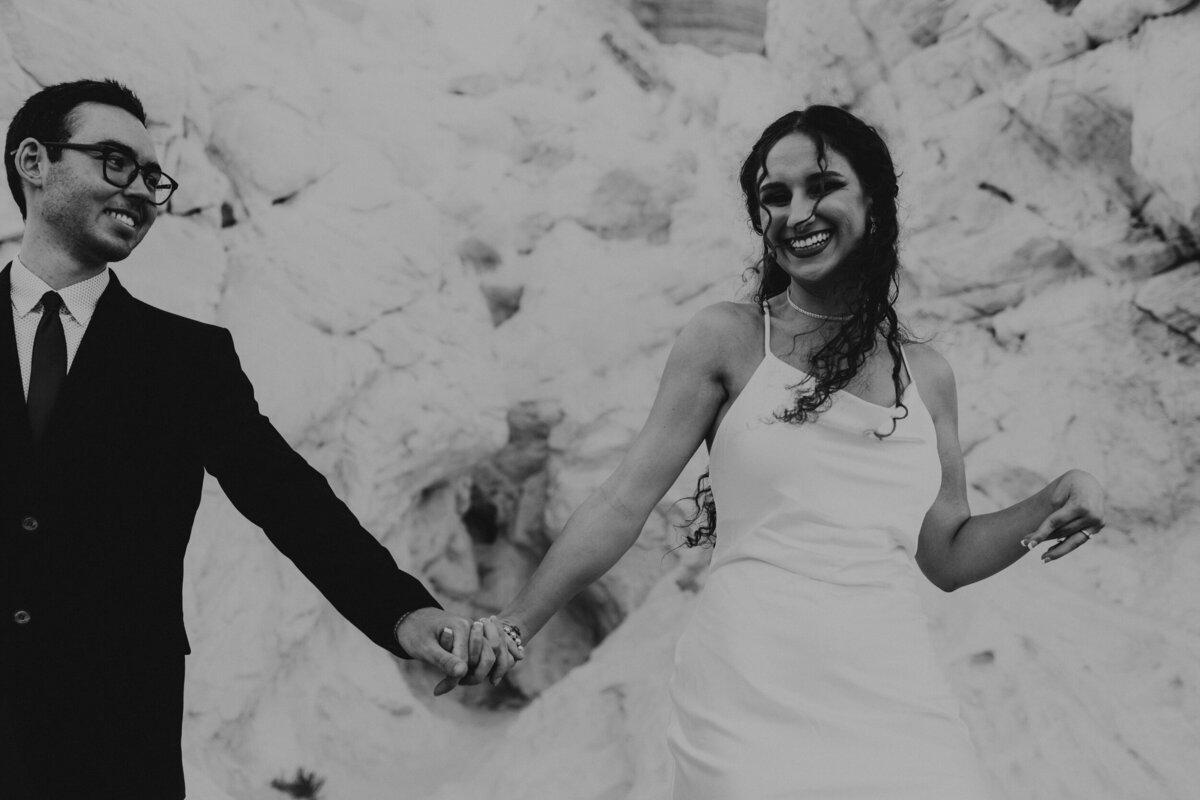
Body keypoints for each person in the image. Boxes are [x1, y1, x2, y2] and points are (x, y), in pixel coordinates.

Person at [483, 106, 1106, 798]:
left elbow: (949, 555)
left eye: (821, 186)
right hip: (749, 690)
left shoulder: (927, 375)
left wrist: (1053, 499)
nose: (794, 211)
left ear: (874, 202)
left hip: (899, 696)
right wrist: (514, 626)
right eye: (773, 198)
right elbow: (622, 499)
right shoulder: (727, 339)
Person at [0, 78, 514, 799]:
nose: (143, 191)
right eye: (116, 162)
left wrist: (402, 611)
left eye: (154, 177)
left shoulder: (185, 357)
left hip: (111, 730)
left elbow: (288, 497)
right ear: (34, 161)